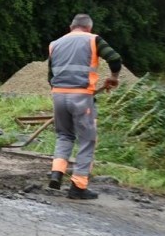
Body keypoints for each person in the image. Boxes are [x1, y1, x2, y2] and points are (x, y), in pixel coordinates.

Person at [47, 13, 122, 200]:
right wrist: (113, 77)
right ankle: (78, 186)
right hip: (81, 96)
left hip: (58, 95)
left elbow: (50, 75)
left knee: (64, 135)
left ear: (71, 26)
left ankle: (57, 173)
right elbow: (114, 58)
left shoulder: (55, 44)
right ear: (89, 27)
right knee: (87, 139)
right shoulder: (93, 39)